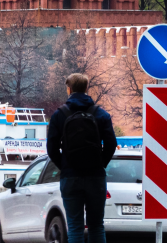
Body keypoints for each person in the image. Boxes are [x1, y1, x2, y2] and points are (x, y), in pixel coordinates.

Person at [47, 73, 118, 243]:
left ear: (69, 89)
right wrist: (100, 163)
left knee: (75, 226)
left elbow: (51, 148)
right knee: (96, 225)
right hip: (95, 176)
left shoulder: (60, 114)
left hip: (70, 177)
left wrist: (65, 165)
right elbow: (111, 144)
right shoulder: (101, 114)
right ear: (87, 88)